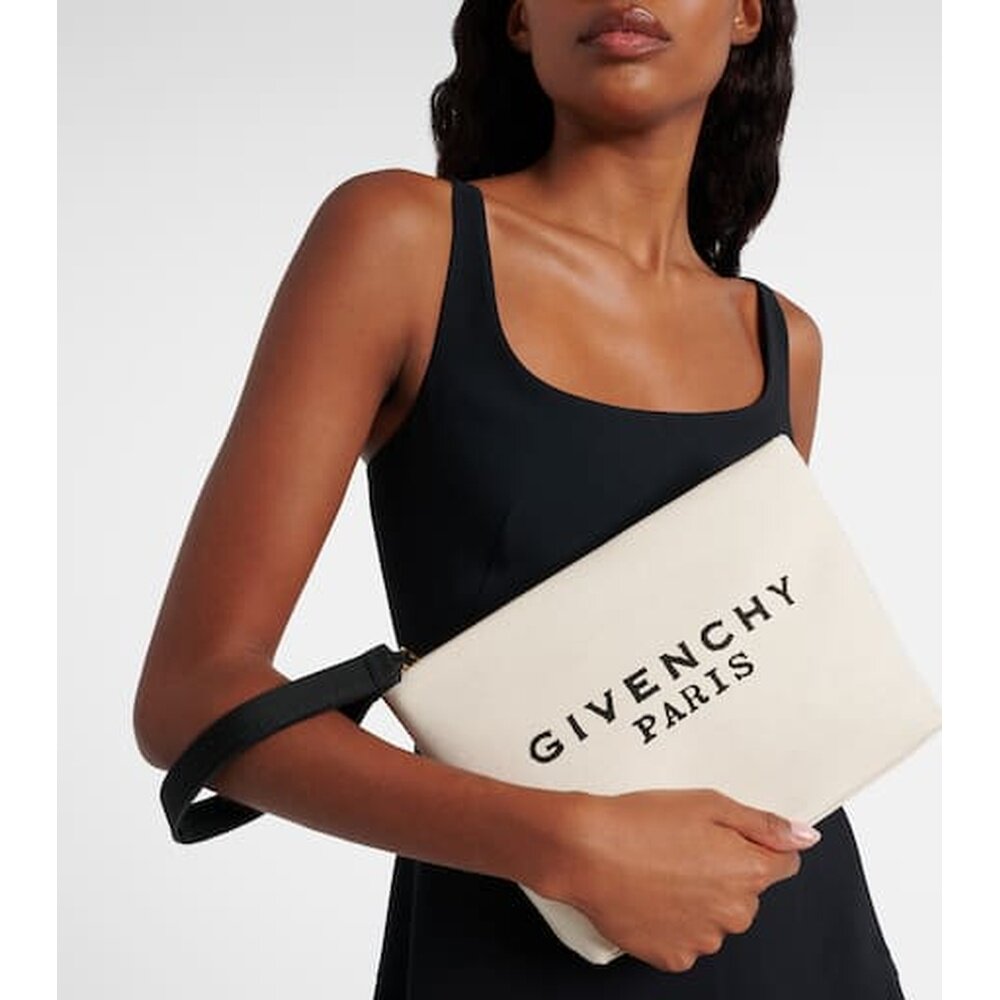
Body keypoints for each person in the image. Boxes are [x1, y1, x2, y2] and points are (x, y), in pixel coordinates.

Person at [133, 1, 907, 996]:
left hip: (803, 943)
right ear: (517, 20)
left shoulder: (783, 343)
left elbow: (747, 694)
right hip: (503, 954)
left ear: (746, 14)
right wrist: (567, 844)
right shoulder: (400, 241)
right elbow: (191, 696)